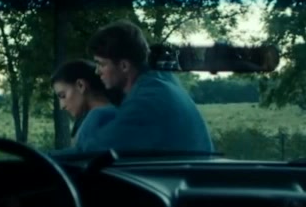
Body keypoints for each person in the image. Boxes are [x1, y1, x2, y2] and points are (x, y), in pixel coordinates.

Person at [80, 20, 214, 154]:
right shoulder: (162, 81)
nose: (97, 71)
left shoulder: (147, 100)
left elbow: (92, 150)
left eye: (101, 64)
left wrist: (94, 116)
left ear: (124, 66)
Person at [50, 60, 119, 150]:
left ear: (80, 85)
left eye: (63, 96)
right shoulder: (122, 111)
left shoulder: (98, 117)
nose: (62, 106)